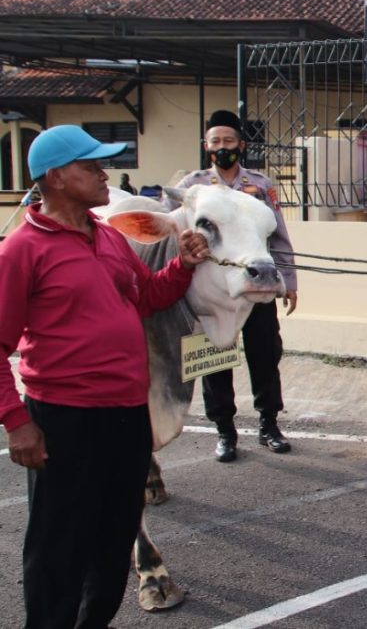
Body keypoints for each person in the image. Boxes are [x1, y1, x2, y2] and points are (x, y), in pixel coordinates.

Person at [0, 125, 209, 629]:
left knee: (114, 544)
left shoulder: (110, 237)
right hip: (65, 421)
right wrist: (17, 421)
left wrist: (182, 265)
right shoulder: (21, 250)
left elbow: (146, 298)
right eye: (91, 165)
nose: (104, 173)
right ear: (55, 177)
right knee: (59, 549)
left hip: (126, 417)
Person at [171, 109, 297, 462]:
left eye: (229, 141)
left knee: (265, 353)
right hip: (211, 293)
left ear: (241, 144)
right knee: (213, 360)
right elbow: (172, 233)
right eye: (216, 142)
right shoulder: (190, 189)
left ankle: (269, 424)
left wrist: (288, 281)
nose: (223, 147)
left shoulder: (261, 185)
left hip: (256, 287)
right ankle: (224, 430)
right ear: (206, 146)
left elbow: (280, 239)